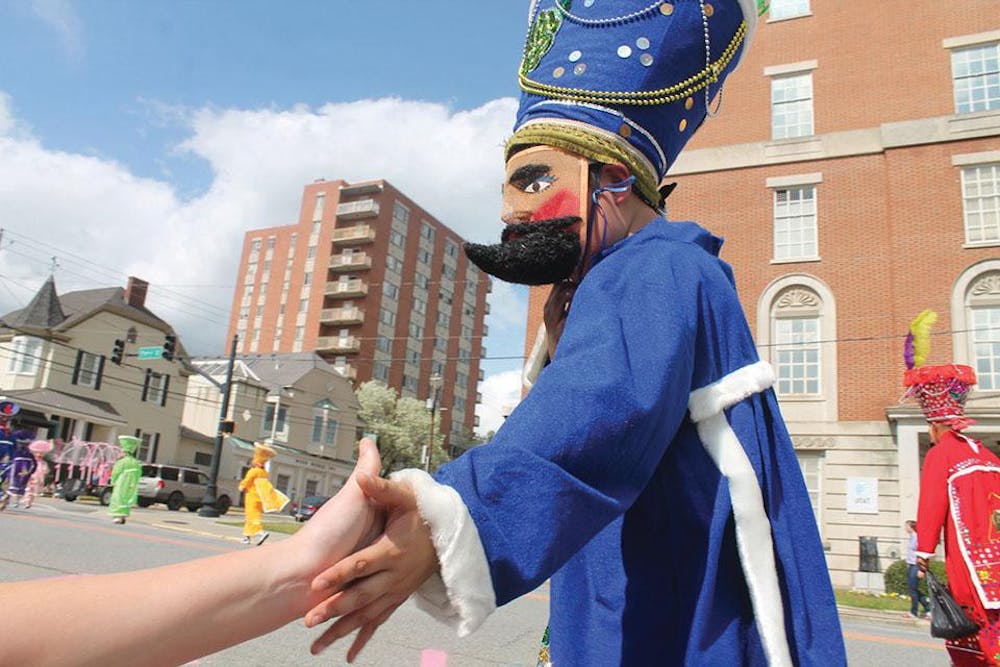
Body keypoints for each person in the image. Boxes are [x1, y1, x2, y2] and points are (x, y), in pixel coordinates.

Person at [303, 1, 846, 665]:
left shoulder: (655, 266)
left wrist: (445, 515)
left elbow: (597, 411)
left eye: (534, 178)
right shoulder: (636, 276)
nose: (512, 211)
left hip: (670, 621)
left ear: (614, 178)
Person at [0, 438, 383, 666]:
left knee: (255, 527)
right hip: (271, 534)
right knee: (253, 526)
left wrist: (302, 561)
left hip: (284, 549)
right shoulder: (252, 473)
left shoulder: (129, 463)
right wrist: (301, 562)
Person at [906, 311, 1000, 665]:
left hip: (971, 568)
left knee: (972, 638)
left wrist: (923, 556)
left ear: (934, 425)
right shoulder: (988, 454)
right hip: (998, 561)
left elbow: (931, 507)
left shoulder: (941, 454)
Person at [238, 441, 277, 546]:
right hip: (259, 497)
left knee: (252, 516)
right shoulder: (264, 473)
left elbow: (247, 481)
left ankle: (261, 533)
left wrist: (242, 486)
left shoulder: (253, 471)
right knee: (250, 516)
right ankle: (246, 537)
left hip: (251, 496)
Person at [108, 434, 143, 525]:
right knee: (127, 498)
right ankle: (123, 515)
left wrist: (113, 480)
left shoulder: (122, 462)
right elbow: (139, 473)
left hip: (122, 481)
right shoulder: (136, 462)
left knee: (118, 497)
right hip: (132, 483)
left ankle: (117, 516)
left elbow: (116, 472)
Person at [3, 430, 37, 510]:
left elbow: (34, 464)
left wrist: (31, 471)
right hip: (17, 468)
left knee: (16, 485)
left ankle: (10, 500)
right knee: (13, 485)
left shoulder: (26, 453)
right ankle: (8, 500)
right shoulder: (20, 452)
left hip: (19, 468)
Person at [905, 520, 930, 619]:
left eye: (906, 526)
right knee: (913, 589)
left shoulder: (917, 538)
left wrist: (922, 569)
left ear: (911, 527)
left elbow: (922, 554)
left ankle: (914, 612)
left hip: (916, 566)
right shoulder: (911, 537)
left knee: (912, 589)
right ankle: (928, 607)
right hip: (911, 564)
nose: (905, 528)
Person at [22, 439, 52, 509]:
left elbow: (46, 470)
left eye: (41, 453)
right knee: (28, 488)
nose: (39, 455)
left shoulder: (43, 463)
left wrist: (44, 471)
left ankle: (29, 502)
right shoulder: (31, 460)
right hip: (31, 474)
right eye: (37, 453)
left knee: (33, 490)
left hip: (38, 477)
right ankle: (26, 500)